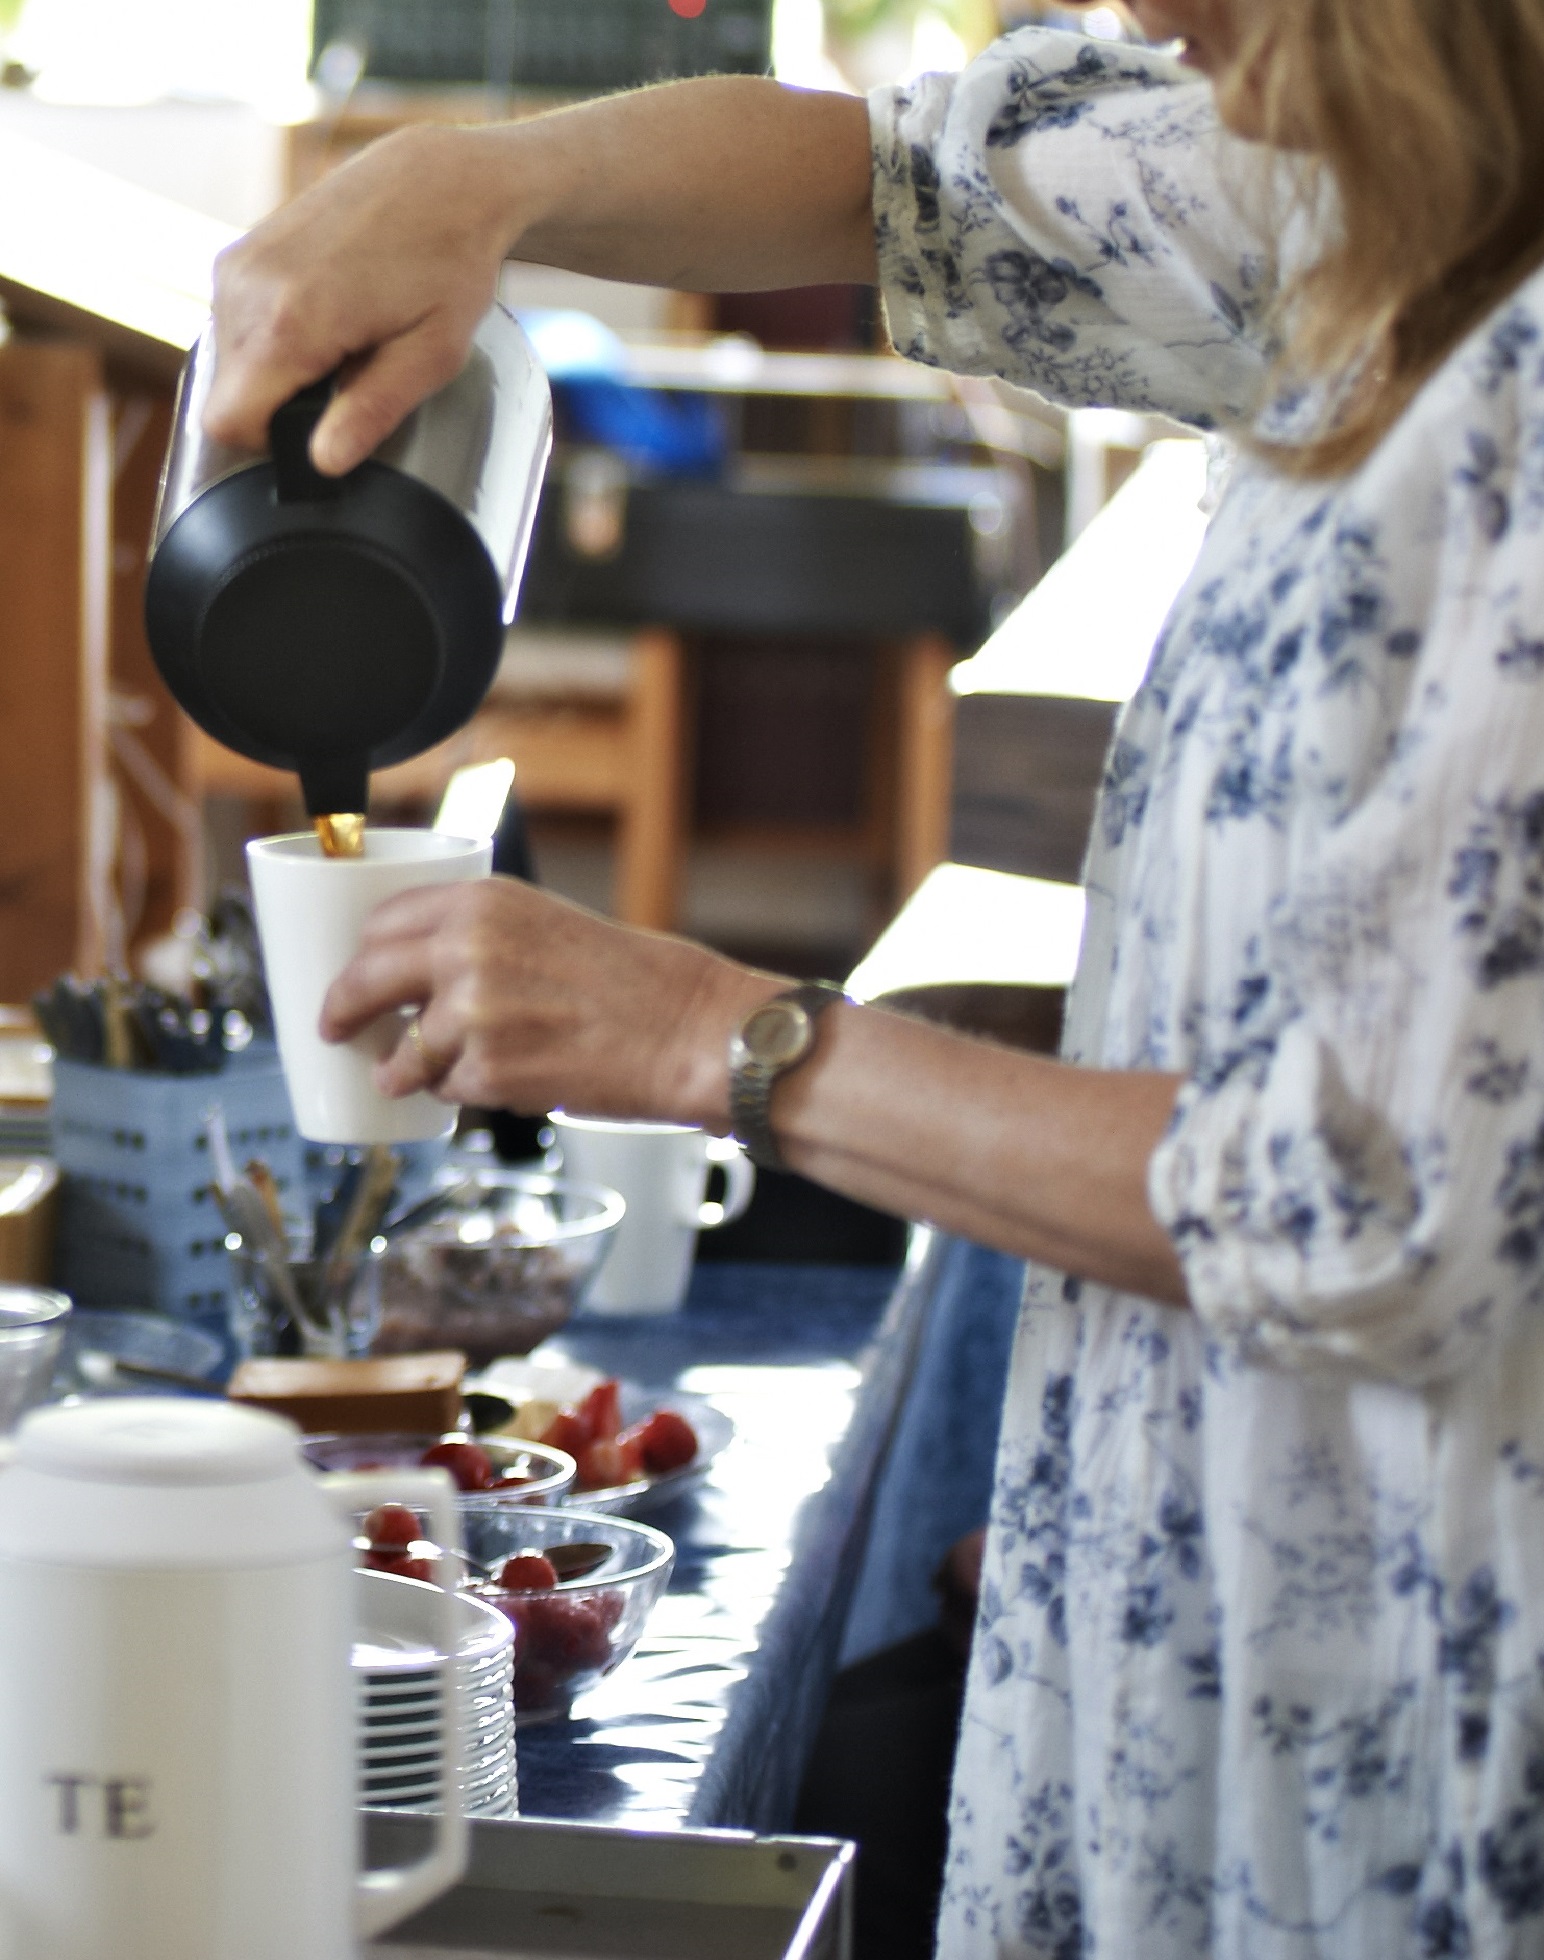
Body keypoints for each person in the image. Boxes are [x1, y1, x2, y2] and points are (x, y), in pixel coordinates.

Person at [207, 0, 1544, 1948]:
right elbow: (900, 173)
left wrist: (717, 1037)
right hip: (1191, 1625)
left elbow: (1367, 1190)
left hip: (1402, 1747)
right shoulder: (1355, 206)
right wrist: (490, 183)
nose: (1146, 15)